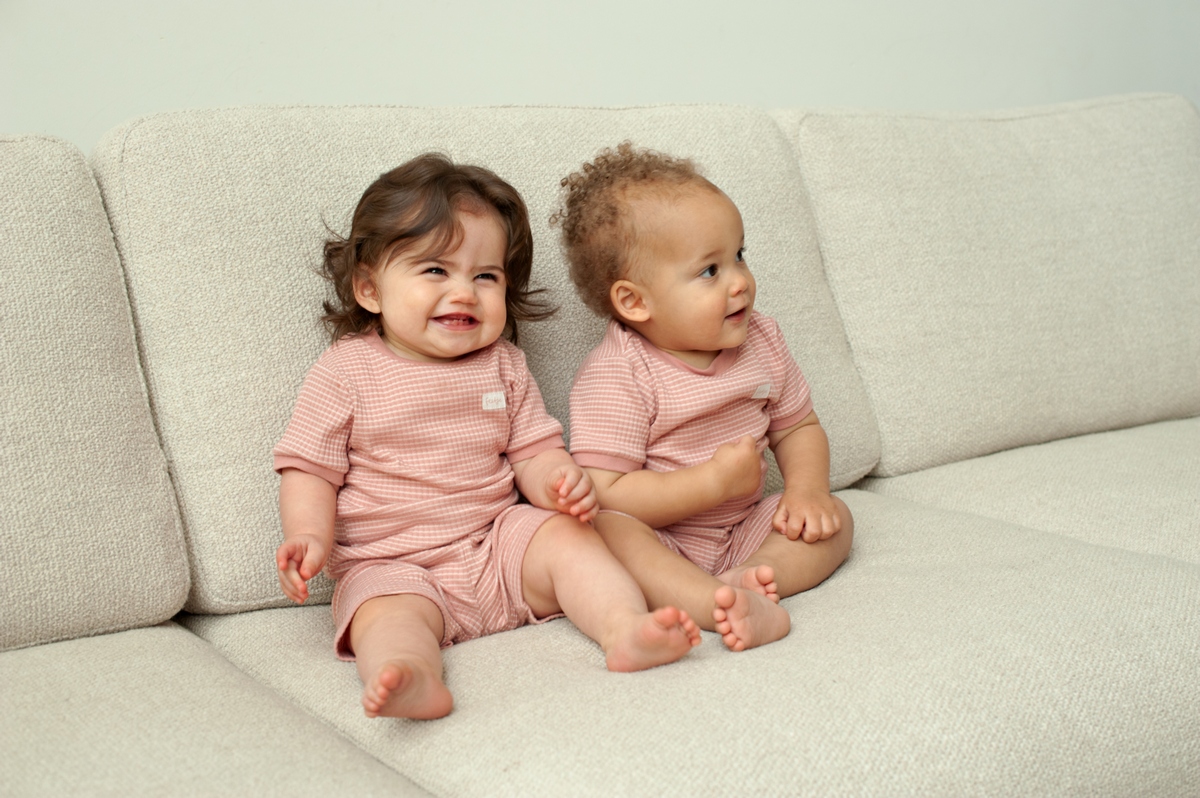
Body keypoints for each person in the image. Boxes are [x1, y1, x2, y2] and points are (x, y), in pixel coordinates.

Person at [273, 153, 700, 720]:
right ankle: (410, 674)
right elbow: (310, 467)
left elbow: (534, 451)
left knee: (567, 538)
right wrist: (307, 534)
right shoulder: (346, 372)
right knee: (384, 615)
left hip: (496, 547)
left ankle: (623, 628)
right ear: (370, 289)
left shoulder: (504, 365)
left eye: (485, 276)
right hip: (393, 564)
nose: (464, 293)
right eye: (435, 271)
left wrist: (559, 482)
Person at [554, 142, 853, 653]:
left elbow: (798, 427)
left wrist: (807, 491)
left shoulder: (762, 341)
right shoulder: (619, 373)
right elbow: (608, 491)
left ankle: (756, 579)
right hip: (661, 538)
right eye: (710, 271)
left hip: (745, 527)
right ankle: (711, 601)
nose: (740, 283)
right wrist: (711, 483)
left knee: (837, 520)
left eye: (739, 256)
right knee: (605, 532)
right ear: (634, 301)